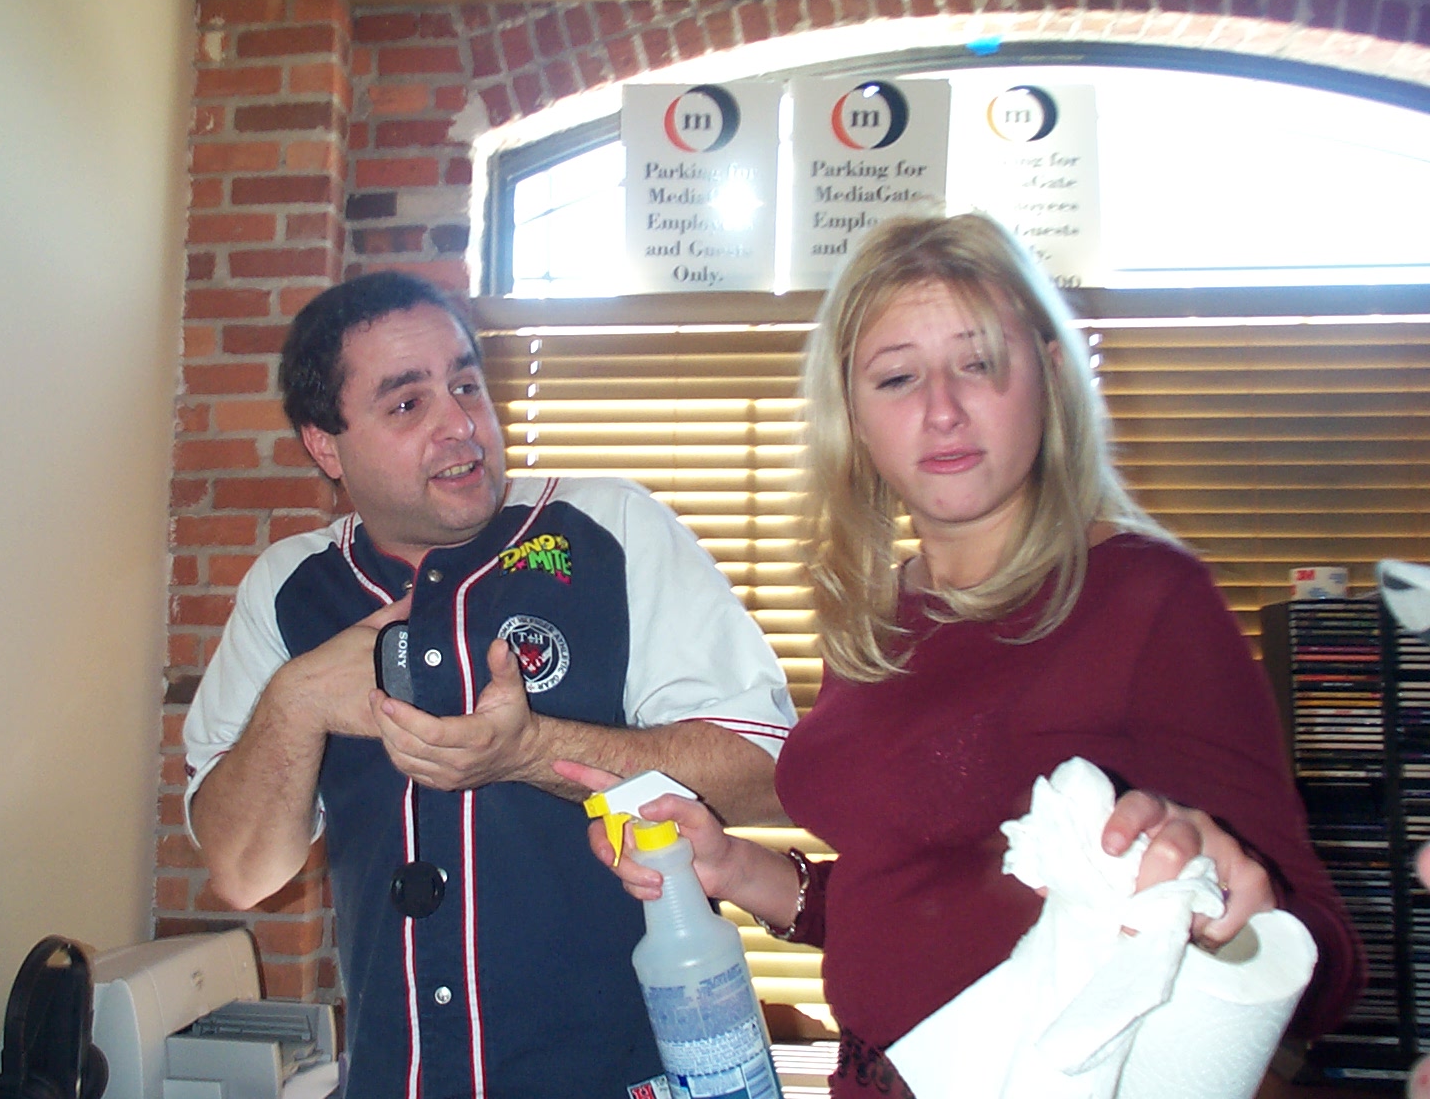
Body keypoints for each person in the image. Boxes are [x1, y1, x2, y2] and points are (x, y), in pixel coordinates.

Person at [568, 213, 1363, 1097]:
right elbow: (916, 899)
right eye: (897, 377)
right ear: (854, 416)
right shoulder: (877, 618)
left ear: (1050, 377)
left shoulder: (1147, 599)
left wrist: (1233, 897)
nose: (942, 408)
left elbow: (1325, 960)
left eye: (979, 363)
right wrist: (732, 867)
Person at [181, 270, 797, 1099]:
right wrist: (295, 703)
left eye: (466, 385)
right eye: (409, 404)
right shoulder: (289, 590)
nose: (461, 425)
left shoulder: (609, 529)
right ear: (325, 445)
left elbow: (767, 774)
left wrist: (533, 751)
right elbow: (241, 870)